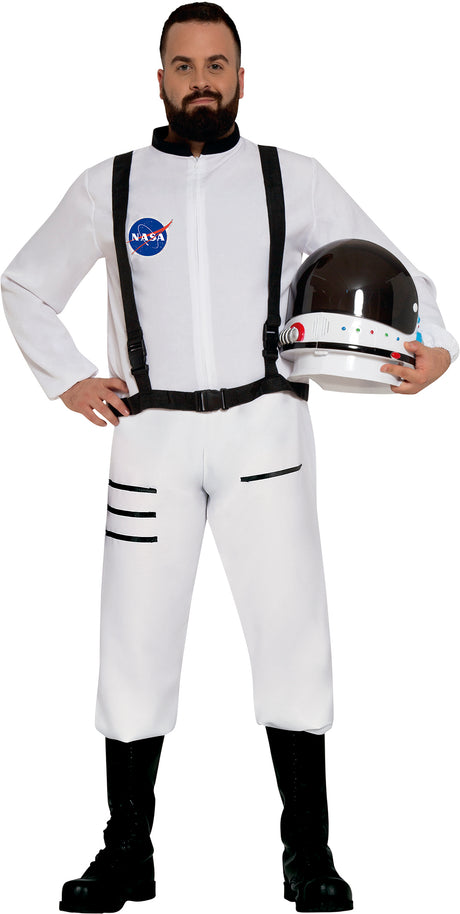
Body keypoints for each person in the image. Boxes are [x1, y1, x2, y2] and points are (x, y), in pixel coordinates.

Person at [2, 3, 457, 913]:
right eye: (184, 65)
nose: (201, 80)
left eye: (217, 64)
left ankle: (309, 856)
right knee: (133, 643)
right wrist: (70, 380)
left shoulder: (293, 176)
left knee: (293, 637)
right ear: (160, 79)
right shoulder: (110, 185)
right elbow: (23, 283)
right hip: (150, 435)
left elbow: (397, 268)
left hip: (265, 430)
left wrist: (433, 344)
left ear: (242, 78)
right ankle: (126, 853)